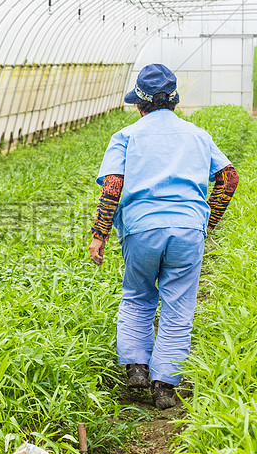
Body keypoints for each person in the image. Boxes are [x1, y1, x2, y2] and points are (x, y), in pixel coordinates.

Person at [88, 64, 239, 410]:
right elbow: (229, 178)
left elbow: (113, 186)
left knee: (138, 296)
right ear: (174, 103)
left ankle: (137, 367)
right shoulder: (198, 135)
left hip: (141, 228)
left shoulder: (125, 136)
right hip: (188, 228)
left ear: (140, 106)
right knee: (178, 307)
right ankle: (164, 387)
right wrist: (207, 221)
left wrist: (100, 235)